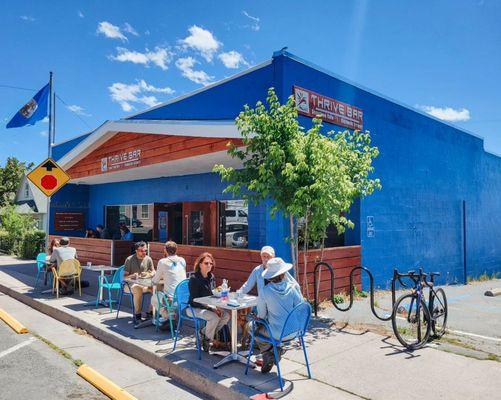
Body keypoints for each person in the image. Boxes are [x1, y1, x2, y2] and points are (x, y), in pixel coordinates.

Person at [253, 257, 304, 373]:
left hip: (276, 333)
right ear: (283, 274)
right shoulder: (292, 288)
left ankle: (268, 352)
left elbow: (261, 315)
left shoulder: (265, 291)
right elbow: (301, 307)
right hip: (294, 331)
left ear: (270, 276)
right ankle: (274, 351)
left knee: (251, 327)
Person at [188, 252, 230, 352]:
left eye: (211, 263)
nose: (209, 265)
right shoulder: (194, 279)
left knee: (226, 316)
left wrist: (217, 307)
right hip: (193, 307)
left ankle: (203, 334)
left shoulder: (211, 277)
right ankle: (207, 339)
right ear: (200, 264)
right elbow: (195, 300)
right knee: (214, 317)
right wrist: (211, 308)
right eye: (206, 263)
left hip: (208, 306)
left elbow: (213, 295)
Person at [151, 241, 186, 319]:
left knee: (154, 299)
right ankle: (170, 313)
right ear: (176, 250)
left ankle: (168, 316)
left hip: (172, 299)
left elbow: (155, 281)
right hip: (184, 298)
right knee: (163, 291)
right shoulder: (182, 260)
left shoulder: (162, 262)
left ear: (165, 250)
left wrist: (152, 279)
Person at [123, 241, 155, 321]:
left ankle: (150, 311)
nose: (144, 252)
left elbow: (153, 271)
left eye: (145, 250)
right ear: (136, 251)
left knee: (156, 289)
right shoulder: (129, 259)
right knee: (137, 288)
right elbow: (124, 277)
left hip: (145, 284)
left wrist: (149, 274)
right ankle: (138, 314)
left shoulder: (148, 259)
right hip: (129, 285)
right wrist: (132, 276)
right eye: (142, 251)